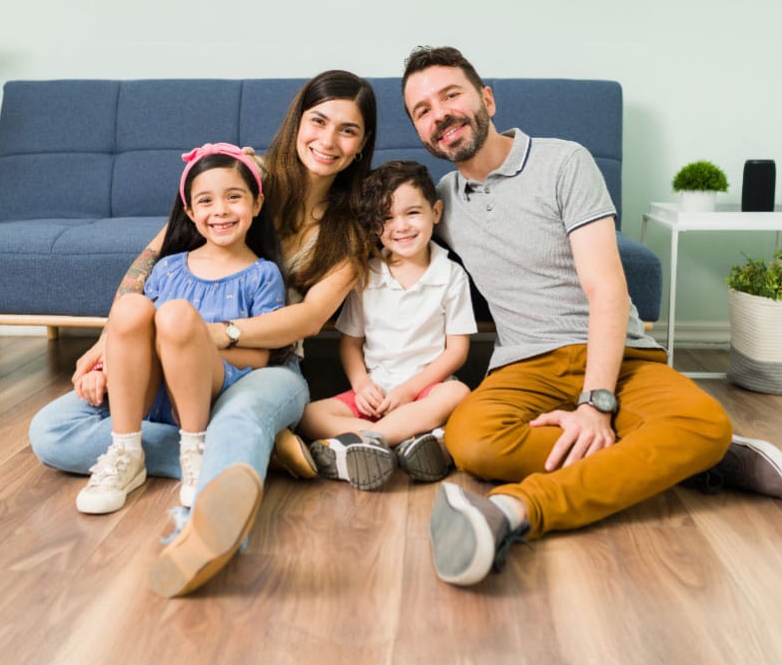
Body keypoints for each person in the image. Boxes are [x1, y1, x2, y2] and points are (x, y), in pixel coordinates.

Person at [400, 46, 782, 586]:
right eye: (422, 110)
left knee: (706, 421)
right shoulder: (441, 200)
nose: (439, 114)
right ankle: (683, 460)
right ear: (421, 132)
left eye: (451, 95)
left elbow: (607, 289)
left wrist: (595, 404)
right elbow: (375, 222)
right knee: (472, 440)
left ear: (486, 98)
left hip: (618, 357)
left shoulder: (563, 161)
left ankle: (516, 510)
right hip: (523, 368)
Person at [29, 70, 381, 597]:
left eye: (348, 131)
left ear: (361, 146)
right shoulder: (243, 175)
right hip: (172, 357)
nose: (328, 141)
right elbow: (153, 262)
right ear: (297, 122)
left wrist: (212, 335)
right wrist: (110, 345)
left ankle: (206, 536)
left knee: (239, 417)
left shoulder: (354, 224)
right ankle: (248, 452)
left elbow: (308, 318)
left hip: (268, 366)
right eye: (319, 121)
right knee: (53, 431)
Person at [73, 144, 285, 516]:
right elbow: (133, 335)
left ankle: (195, 447)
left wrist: (191, 345)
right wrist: (104, 369)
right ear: (188, 212)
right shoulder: (169, 267)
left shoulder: (263, 274)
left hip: (212, 386)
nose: (220, 210)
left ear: (257, 203)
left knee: (175, 317)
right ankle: (126, 450)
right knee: (132, 307)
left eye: (234, 197)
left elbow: (259, 355)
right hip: (151, 390)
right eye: (205, 201)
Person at [296, 160, 474, 489]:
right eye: (386, 218)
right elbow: (350, 343)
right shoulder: (367, 274)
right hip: (375, 395)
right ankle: (409, 442)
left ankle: (368, 442)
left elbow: (457, 350)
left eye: (412, 213)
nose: (400, 227)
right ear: (374, 225)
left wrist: (410, 390)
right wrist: (362, 385)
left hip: (425, 392)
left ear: (436, 212)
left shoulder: (450, 275)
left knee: (458, 392)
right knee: (307, 415)